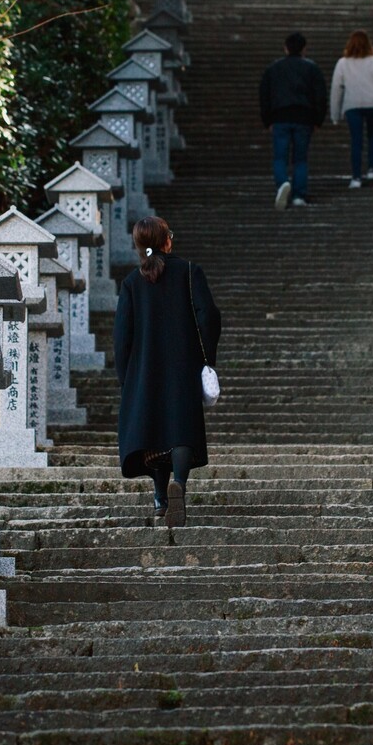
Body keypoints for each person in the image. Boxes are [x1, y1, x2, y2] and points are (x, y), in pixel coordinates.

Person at [115, 216, 221, 528]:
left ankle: (161, 498)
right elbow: (209, 317)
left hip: (144, 369)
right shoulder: (189, 272)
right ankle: (180, 486)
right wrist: (207, 358)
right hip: (183, 364)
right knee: (181, 426)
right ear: (167, 241)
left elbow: (122, 336)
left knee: (152, 432)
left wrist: (126, 378)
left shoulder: (133, 282)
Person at [258, 31, 327, 208]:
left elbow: (264, 95)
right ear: (304, 49)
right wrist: (318, 120)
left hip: (280, 117)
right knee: (300, 159)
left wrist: (268, 120)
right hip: (304, 118)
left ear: (285, 48)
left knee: (280, 157)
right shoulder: (312, 68)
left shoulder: (273, 69)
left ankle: (282, 184)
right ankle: (298, 195)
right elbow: (320, 96)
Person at [330, 30, 373, 188]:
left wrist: (335, 114)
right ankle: (372, 169)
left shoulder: (343, 63)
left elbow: (336, 89)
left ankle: (356, 177)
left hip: (352, 105)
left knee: (356, 140)